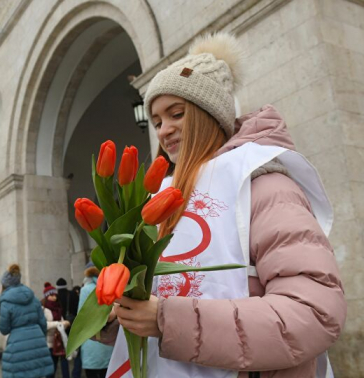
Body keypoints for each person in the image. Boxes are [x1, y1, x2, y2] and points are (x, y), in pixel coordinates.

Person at [103, 32, 346, 377]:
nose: (163, 131)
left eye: (176, 114)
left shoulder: (265, 186)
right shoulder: (165, 199)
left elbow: (313, 314)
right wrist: (120, 315)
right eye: (156, 122)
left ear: (209, 114)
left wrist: (165, 320)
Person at [0, 264, 54, 378]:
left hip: (17, 345)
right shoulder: (32, 297)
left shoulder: (6, 302)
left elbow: (4, 329)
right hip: (37, 341)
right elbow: (43, 323)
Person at [78, 266, 113, 378]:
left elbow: (82, 316)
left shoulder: (85, 289)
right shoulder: (108, 287)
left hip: (91, 339)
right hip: (108, 339)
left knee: (92, 373)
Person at [42, 282, 71, 378]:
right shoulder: (44, 310)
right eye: (51, 295)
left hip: (60, 340)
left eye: (55, 295)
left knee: (65, 365)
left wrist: (65, 324)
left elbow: (61, 322)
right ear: (47, 296)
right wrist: (59, 324)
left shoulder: (58, 308)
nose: (54, 297)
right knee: (51, 369)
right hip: (49, 343)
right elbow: (44, 325)